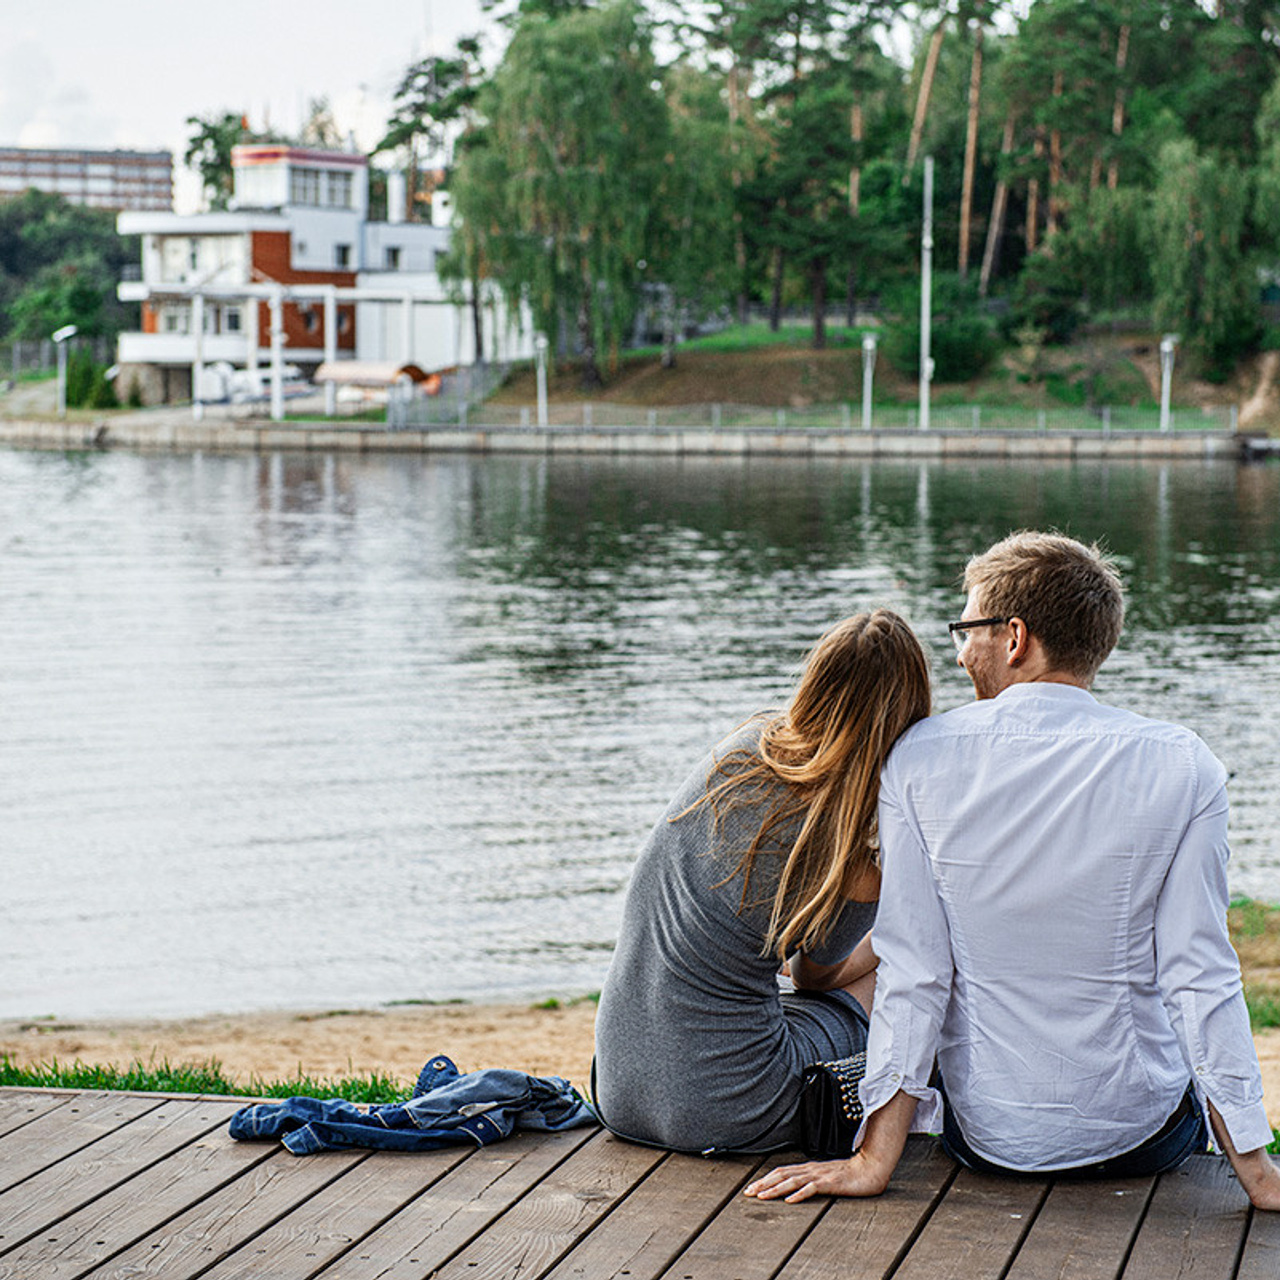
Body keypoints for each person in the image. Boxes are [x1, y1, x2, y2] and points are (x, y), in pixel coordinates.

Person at [746, 531, 1280, 1209]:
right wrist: (1258, 1173)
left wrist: (873, 1159)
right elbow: (1198, 973)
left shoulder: (917, 761)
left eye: (967, 630)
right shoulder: (1183, 765)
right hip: (1140, 1139)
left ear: (1015, 638)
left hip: (991, 1144)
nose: (962, 653)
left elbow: (915, 971)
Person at [592, 609, 931, 1154]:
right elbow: (816, 980)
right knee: (906, 971)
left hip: (618, 1085)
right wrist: (901, 921)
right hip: (734, 1107)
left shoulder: (741, 753)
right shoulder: (845, 854)